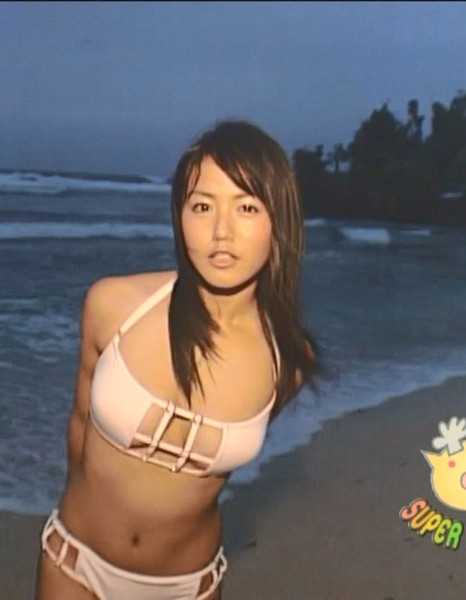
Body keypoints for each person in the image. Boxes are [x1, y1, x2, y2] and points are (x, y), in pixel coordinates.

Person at [35, 119, 319, 600]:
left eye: (247, 207)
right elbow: (79, 424)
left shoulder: (288, 360)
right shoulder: (112, 305)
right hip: (74, 563)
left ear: (279, 221)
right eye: (202, 206)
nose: (221, 231)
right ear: (179, 215)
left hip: (187, 585)